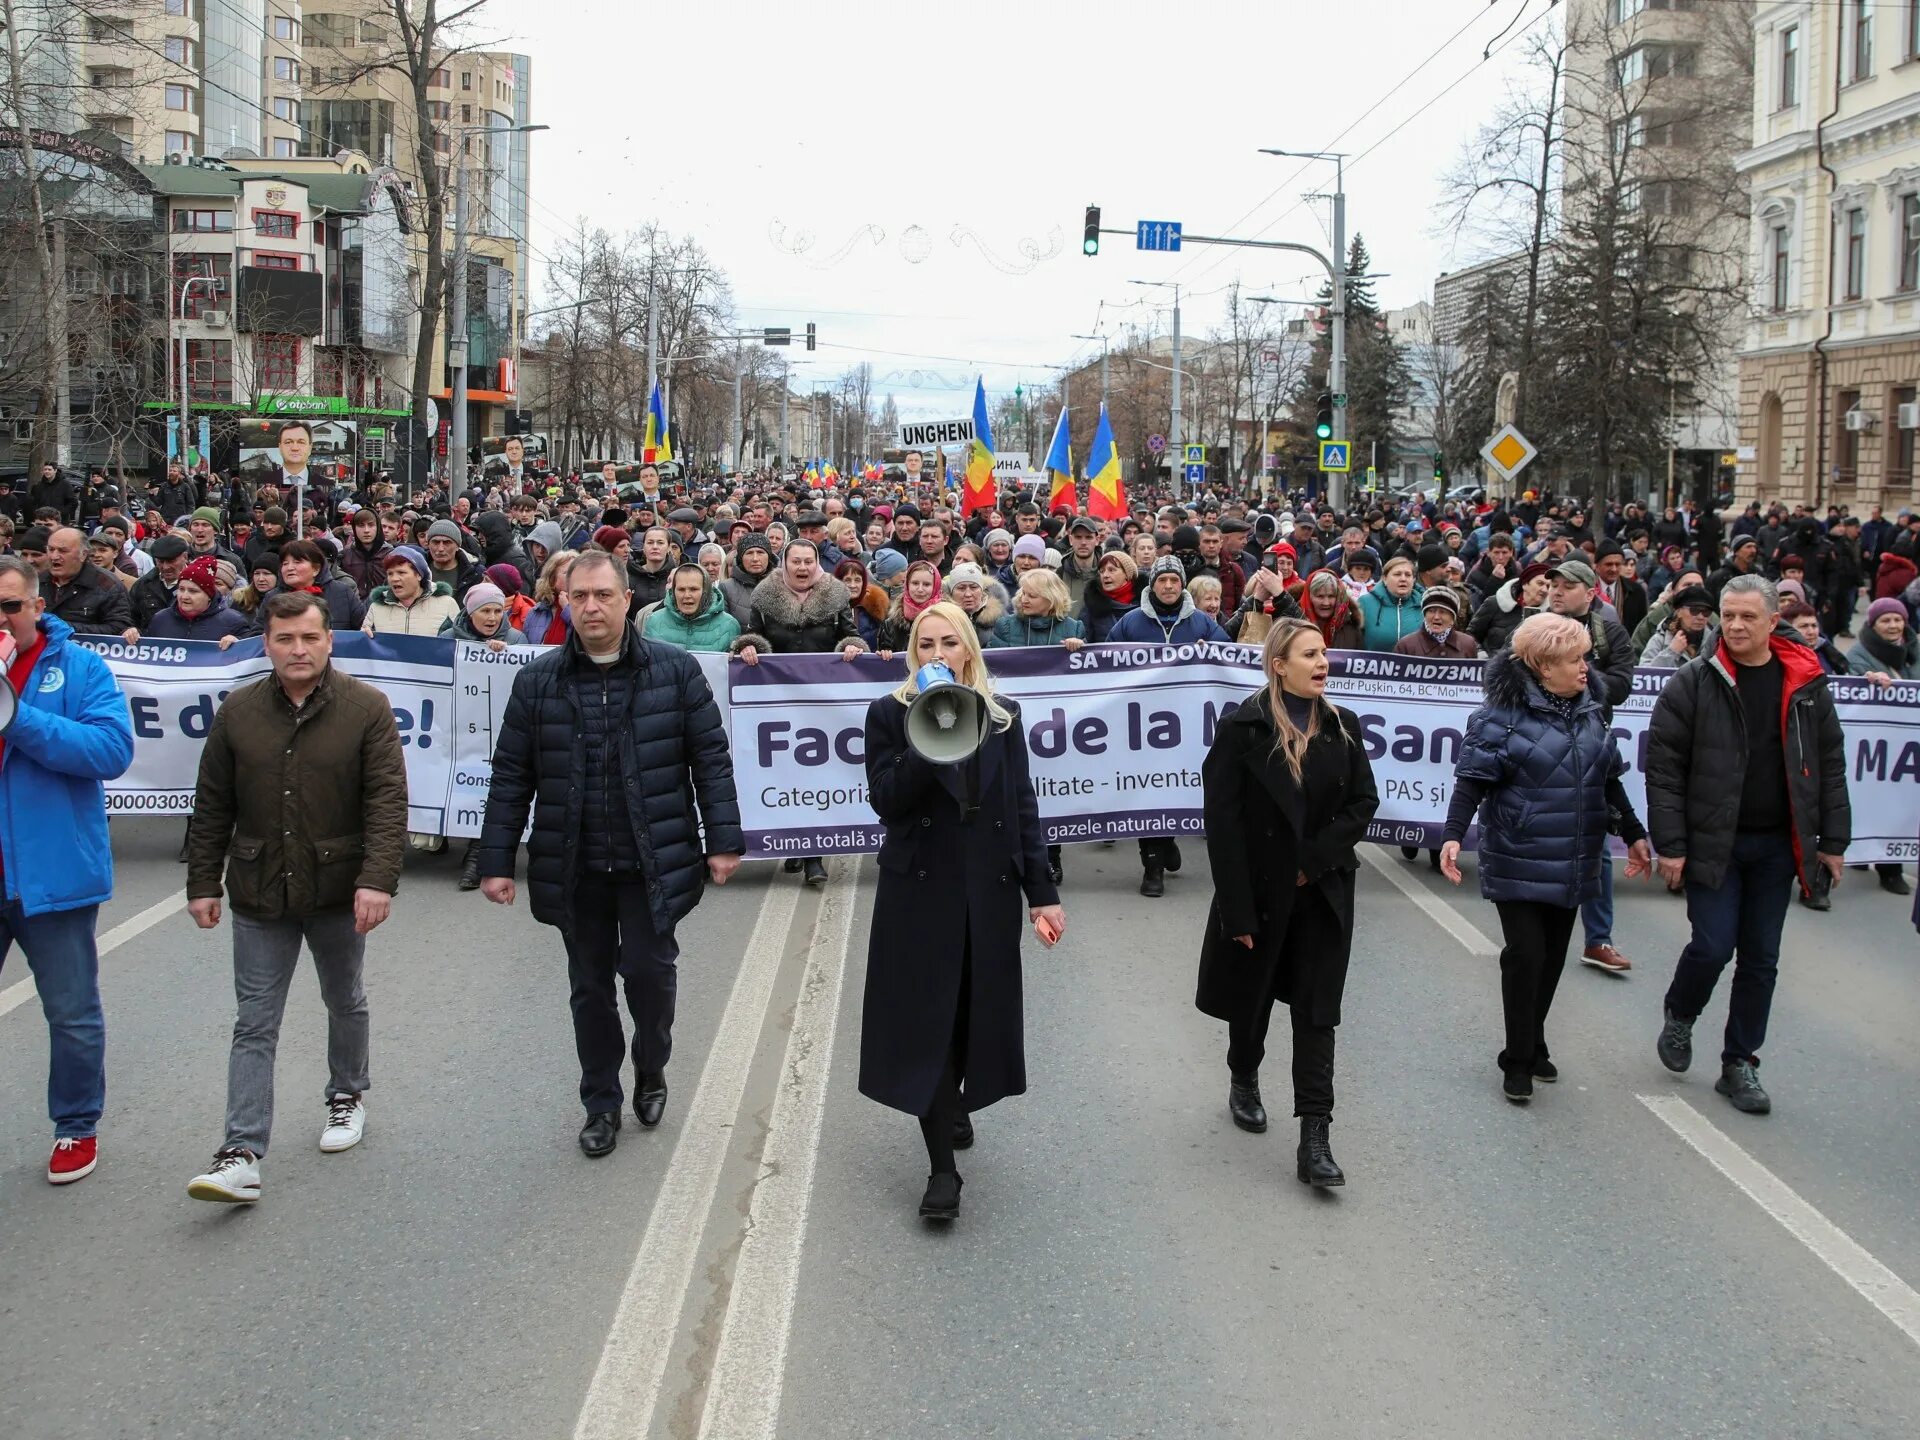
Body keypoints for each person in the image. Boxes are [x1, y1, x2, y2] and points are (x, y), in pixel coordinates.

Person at [477, 550, 743, 1157]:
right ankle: (600, 1101)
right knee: (589, 989)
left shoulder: (674, 672)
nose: (591, 607)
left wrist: (723, 840)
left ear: (628, 600)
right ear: (565, 603)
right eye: (579, 597)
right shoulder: (538, 681)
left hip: (654, 861)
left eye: (602, 595)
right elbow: (512, 775)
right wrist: (495, 860)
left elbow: (710, 760)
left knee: (650, 977)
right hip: (576, 865)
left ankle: (652, 1065)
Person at [182, 592, 408, 1204]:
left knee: (344, 997)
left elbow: (387, 804)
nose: (298, 650)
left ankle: (346, 1095)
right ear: (267, 644)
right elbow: (213, 806)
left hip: (338, 889)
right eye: (285, 639)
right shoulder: (238, 712)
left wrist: (376, 879)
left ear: (329, 640)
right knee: (254, 1020)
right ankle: (240, 1152)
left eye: (309, 637)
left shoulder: (367, 708)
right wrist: (203, 881)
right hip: (259, 890)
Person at [859, 600, 1064, 1221]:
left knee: (974, 1011)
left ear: (969, 650)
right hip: (920, 890)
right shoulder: (887, 715)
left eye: (950, 643)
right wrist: (930, 736)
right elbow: (887, 803)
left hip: (987, 888)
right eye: (926, 645)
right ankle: (941, 1174)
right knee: (930, 1020)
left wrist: (1042, 893)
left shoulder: (1004, 719)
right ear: (912, 655)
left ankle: (951, 1104)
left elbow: (1021, 808)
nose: (938, 654)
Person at [1648, 576, 1851, 1116]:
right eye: (1727, 616)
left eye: (1747, 618)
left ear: (1769, 621)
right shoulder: (1693, 682)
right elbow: (1664, 770)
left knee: (1761, 959)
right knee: (1713, 946)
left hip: (1777, 845)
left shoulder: (1806, 682)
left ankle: (1740, 1062)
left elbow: (1829, 764)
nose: (1735, 627)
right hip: (1715, 842)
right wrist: (1671, 845)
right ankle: (1682, 1013)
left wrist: (1832, 841)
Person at [1438, 615, 1653, 1103]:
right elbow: (1472, 779)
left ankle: (1533, 1040)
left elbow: (1610, 777)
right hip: (1517, 850)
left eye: (1585, 658)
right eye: (1575, 659)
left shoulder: (1592, 709)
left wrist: (1635, 834)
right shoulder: (1499, 716)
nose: (1585, 667)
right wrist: (1453, 834)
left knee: (1553, 956)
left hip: (1574, 850)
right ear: (1542, 666)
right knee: (1526, 955)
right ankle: (1516, 1058)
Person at [1197, 617, 1378, 1187]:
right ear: (1279, 665)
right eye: (1309, 655)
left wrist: (1313, 860)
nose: (1323, 663)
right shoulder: (1243, 728)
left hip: (1321, 892)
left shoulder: (1341, 725)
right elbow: (1222, 825)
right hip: (1259, 892)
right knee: (1252, 1000)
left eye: (1324, 653)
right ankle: (1244, 1075)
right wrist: (1237, 907)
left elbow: (1363, 802)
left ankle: (1315, 1136)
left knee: (1317, 1011)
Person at [0, 555, 134, 1184]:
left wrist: (17, 718)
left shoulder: (78, 668)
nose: (0, 619)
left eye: (8, 606)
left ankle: (76, 1125)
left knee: (71, 1013)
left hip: (53, 873)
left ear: (34, 608)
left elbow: (110, 750)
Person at [40, 526, 134, 635]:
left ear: (83, 555)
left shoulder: (108, 585)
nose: (54, 556)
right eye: (51, 549)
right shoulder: (36, 581)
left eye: (63, 551)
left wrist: (66, 628)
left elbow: (119, 628)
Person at [145, 555, 250, 642]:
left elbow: (252, 652)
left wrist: (238, 641)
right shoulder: (160, 619)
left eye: (193, 591)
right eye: (181, 589)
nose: (184, 596)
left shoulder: (233, 622)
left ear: (209, 595)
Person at [642, 563, 742, 653]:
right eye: (681, 589)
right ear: (673, 591)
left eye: (693, 589)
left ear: (706, 591)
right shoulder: (654, 622)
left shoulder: (729, 625)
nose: (687, 595)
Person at [363, 546, 461, 635]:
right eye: (390, 574)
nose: (394, 579)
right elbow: (365, 647)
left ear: (419, 575)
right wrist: (364, 637)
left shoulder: (446, 604)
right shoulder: (376, 607)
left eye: (401, 572)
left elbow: (460, 643)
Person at [990, 568, 1086, 651]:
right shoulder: (1005, 626)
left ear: (1052, 598)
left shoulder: (1074, 629)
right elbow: (991, 663)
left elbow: (1086, 668)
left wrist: (1080, 647)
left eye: (1032, 596)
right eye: (1023, 593)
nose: (1024, 600)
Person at [1357, 554, 1424, 650]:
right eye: (1397, 574)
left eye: (1408, 575)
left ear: (1413, 580)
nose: (1403, 579)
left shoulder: (1424, 605)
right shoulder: (1365, 603)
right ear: (1384, 579)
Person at [1392, 588, 1478, 658]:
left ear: (1452, 619)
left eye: (1443, 612)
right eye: (1431, 611)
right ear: (1424, 615)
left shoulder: (1468, 644)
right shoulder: (1405, 646)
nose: (1436, 617)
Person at [1077, 550, 1138, 643]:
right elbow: (1083, 638)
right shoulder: (1092, 607)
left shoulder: (1146, 604)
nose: (1105, 575)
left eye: (1111, 570)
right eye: (1101, 571)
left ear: (1127, 574)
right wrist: (1078, 642)